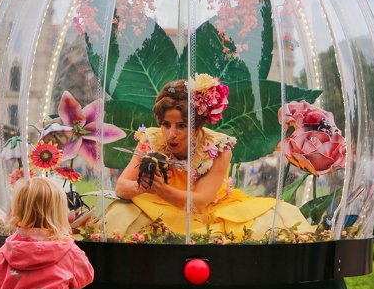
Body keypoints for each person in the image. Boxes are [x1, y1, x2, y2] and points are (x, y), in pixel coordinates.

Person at [105, 76, 313, 239]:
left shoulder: (218, 148)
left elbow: (200, 202)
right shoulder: (151, 140)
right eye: (166, 125)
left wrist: (162, 189)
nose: (171, 134)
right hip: (159, 205)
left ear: (196, 127)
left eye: (181, 126)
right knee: (118, 216)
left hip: (211, 208)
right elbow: (122, 187)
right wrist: (142, 187)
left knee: (275, 218)